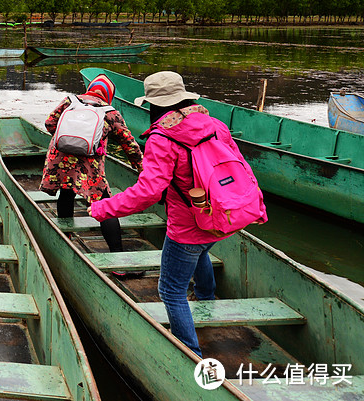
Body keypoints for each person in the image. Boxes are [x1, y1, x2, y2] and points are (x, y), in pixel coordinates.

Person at [89, 70, 243, 357]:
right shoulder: (215, 124)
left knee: (171, 290)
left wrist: (102, 208)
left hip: (188, 224)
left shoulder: (163, 137)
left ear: (155, 104)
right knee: (201, 250)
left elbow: (147, 193)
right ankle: (207, 296)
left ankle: (189, 351)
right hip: (224, 215)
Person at [41, 74, 143, 261]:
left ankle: (66, 237)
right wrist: (141, 168)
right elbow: (129, 145)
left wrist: (69, 141)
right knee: (104, 204)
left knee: (66, 191)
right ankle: (118, 259)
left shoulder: (69, 101)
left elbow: (49, 124)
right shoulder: (111, 113)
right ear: (108, 94)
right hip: (89, 165)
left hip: (59, 158)